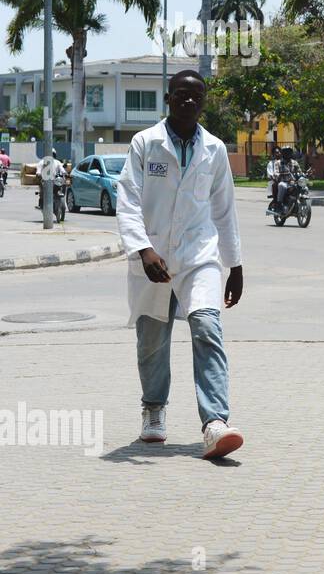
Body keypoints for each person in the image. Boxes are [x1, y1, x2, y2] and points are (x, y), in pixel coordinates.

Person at [115, 69, 245, 460]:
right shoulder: (145, 144)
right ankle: (154, 410)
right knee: (152, 342)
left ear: (204, 102)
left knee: (207, 326)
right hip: (152, 257)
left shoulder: (215, 149)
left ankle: (215, 423)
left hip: (198, 256)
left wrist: (234, 264)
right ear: (168, 99)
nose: (189, 101)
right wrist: (142, 249)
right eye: (182, 95)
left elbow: (224, 209)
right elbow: (128, 201)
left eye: (197, 96)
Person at [267, 146, 304, 215]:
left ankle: (297, 203)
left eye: (289, 152)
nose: (288, 154)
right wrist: (277, 174)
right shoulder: (278, 163)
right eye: (286, 152)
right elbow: (276, 172)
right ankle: (279, 204)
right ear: (283, 153)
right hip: (283, 182)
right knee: (281, 185)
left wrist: (303, 174)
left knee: (303, 186)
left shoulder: (294, 162)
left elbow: (299, 171)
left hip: (293, 183)